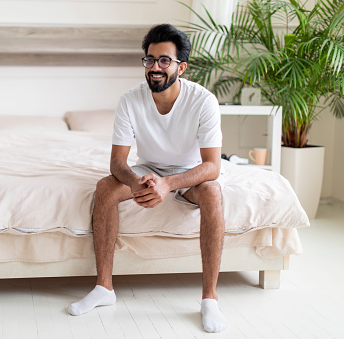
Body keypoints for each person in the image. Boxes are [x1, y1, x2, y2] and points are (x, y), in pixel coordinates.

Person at [67, 23, 227, 333]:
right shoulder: (130, 100)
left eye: (164, 60)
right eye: (150, 60)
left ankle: (210, 299)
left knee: (212, 192)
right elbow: (117, 162)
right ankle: (104, 288)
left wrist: (169, 184)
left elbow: (212, 166)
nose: (155, 67)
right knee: (105, 187)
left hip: (190, 172)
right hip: (148, 168)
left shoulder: (203, 101)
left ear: (181, 66)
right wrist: (133, 181)